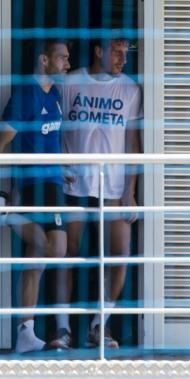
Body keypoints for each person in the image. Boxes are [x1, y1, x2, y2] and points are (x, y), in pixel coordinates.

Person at [0, 38, 71, 354]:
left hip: (54, 184)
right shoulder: (24, 97)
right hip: (31, 185)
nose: (67, 65)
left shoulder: (55, 95)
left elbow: (52, 141)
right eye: (62, 58)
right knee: (43, 244)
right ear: (44, 60)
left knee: (55, 247)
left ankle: (6, 211)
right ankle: (26, 332)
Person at [50, 36, 143, 350]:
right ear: (99, 51)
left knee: (120, 255)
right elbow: (50, 124)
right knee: (68, 255)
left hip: (114, 186)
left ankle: (98, 326)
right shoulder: (70, 82)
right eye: (116, 52)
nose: (122, 59)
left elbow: (133, 143)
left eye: (125, 53)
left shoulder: (130, 88)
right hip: (73, 184)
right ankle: (63, 330)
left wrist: (130, 190)